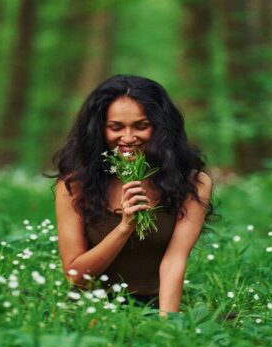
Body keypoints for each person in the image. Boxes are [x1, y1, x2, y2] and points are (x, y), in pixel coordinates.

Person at [51, 75, 214, 316]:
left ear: (161, 127)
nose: (128, 138)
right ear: (98, 129)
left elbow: (174, 262)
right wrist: (125, 227)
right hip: (90, 308)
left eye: (141, 126)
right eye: (116, 127)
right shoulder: (75, 185)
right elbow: (76, 277)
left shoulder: (192, 183)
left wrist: (167, 326)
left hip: (153, 306)